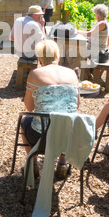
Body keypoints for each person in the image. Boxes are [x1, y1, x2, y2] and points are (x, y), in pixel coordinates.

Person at [21, 39, 81, 179]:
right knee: (64, 121)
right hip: (68, 137)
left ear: (40, 59)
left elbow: (30, 107)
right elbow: (77, 104)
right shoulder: (72, 74)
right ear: (58, 57)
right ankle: (62, 162)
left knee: (24, 119)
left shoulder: (35, 74)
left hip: (40, 137)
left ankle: (33, 163)